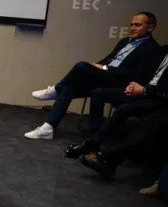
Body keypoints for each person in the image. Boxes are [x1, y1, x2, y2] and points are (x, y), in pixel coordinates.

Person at [25, 12, 160, 140]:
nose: (132, 28)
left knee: (81, 66)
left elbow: (136, 75)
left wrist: (105, 68)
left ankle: (55, 89)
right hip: (104, 77)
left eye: (137, 25)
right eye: (131, 24)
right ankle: (47, 129)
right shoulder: (125, 41)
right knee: (70, 87)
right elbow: (109, 58)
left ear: (150, 28)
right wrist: (97, 65)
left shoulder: (153, 49)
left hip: (120, 83)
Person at [66, 45, 168, 158]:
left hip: (159, 98)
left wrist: (144, 90)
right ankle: (95, 136)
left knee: (124, 109)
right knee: (98, 93)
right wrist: (133, 84)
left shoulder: (152, 47)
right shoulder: (162, 50)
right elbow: (142, 71)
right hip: (141, 90)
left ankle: (93, 144)